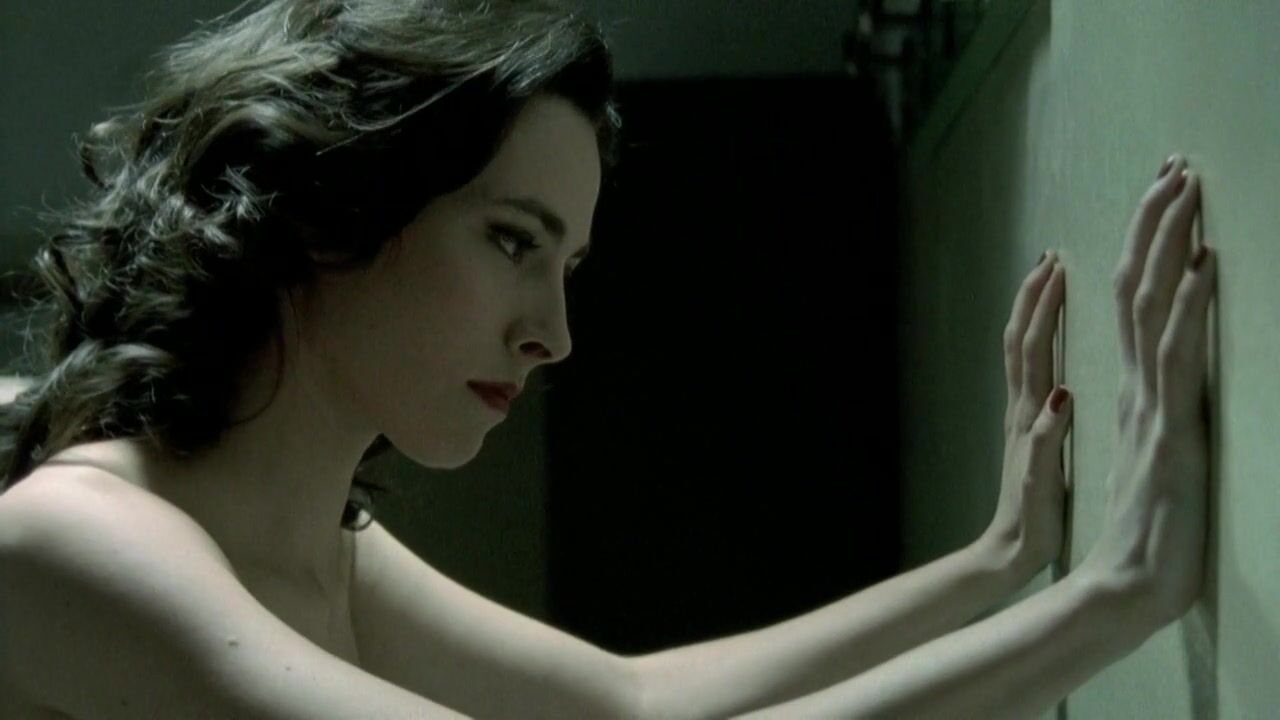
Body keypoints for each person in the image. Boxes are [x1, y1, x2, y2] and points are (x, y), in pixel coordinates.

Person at [0, 0, 1215, 717]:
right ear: (332, 209)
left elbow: (630, 705)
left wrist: (998, 561)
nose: (553, 333)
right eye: (511, 241)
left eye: (566, 264)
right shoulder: (71, 541)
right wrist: (1116, 597)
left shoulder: (319, 544)